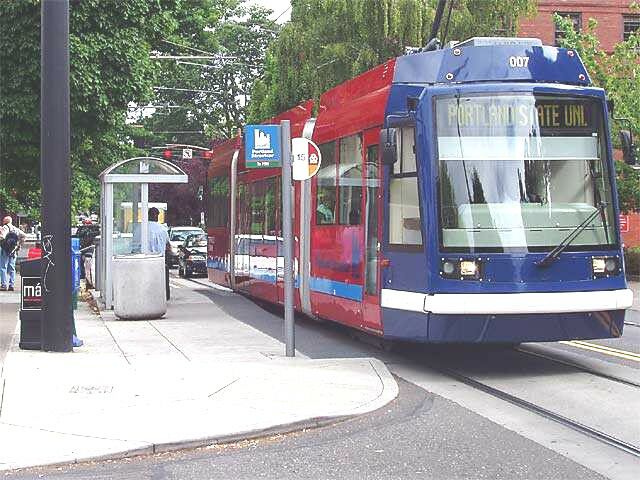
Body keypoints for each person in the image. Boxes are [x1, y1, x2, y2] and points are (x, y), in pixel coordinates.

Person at [0, 216, 27, 291]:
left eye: (3, 221)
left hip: (5, 249)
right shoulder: (15, 229)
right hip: (13, 250)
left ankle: (4, 285)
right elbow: (24, 236)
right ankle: (11, 285)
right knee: (12, 268)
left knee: (3, 267)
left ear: (5, 221)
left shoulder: (5, 227)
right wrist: (19, 244)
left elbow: (2, 237)